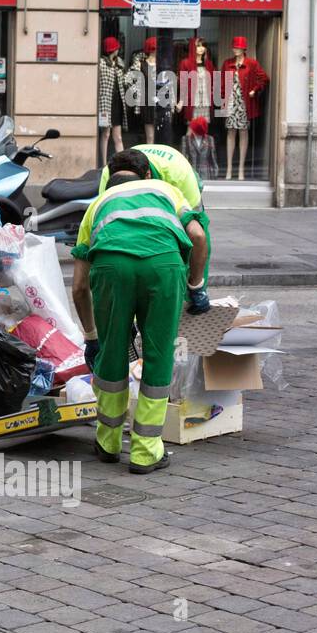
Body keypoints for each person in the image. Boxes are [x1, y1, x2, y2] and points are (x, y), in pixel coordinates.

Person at [72, 149, 211, 474]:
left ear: (110, 178)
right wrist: (195, 286)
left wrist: (93, 338)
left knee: (112, 354)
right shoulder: (167, 191)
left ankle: (107, 442)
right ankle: (146, 452)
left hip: (111, 268)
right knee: (159, 354)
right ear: (147, 173)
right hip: (162, 266)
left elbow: (79, 287)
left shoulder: (97, 205)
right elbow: (198, 235)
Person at [96, 139, 210, 281]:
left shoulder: (178, 175)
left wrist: (195, 283)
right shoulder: (110, 174)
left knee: (196, 233)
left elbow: (197, 235)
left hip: (179, 176)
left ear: (148, 176)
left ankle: (198, 289)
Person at [220, 36, 268, 180]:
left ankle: (241, 169)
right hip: (230, 102)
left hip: (244, 103)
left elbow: (264, 78)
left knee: (243, 133)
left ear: (244, 49)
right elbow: (221, 83)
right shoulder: (227, 63)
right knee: (230, 133)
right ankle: (229, 168)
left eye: (239, 47)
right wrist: (221, 100)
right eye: (234, 47)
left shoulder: (251, 64)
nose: (236, 49)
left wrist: (254, 89)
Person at [97, 36, 128, 163]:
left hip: (117, 103)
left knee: (118, 137)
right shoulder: (101, 63)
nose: (118, 51)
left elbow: (124, 82)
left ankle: (123, 164)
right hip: (105, 103)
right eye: (116, 48)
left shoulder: (119, 64)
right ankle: (103, 164)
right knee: (105, 134)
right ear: (113, 49)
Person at [183, 116, 219, 182]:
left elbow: (213, 158)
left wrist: (215, 174)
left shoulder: (210, 139)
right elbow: (183, 158)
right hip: (191, 174)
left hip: (207, 175)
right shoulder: (186, 140)